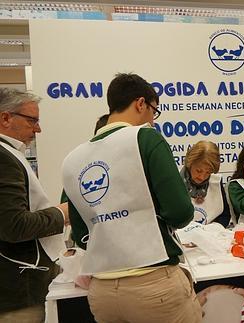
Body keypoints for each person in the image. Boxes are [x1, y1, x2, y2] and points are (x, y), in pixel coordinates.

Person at [62, 73, 201, 323]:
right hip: (152, 283)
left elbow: (81, 233)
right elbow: (180, 212)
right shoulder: (145, 139)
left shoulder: (73, 159)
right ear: (140, 104)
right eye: (154, 111)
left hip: (102, 291)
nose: (152, 120)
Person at [0, 88, 68, 322]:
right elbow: (14, 226)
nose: (38, 129)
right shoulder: (4, 158)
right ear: (5, 118)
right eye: (32, 121)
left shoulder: (10, 155)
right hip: (18, 291)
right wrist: (62, 214)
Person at [180, 141, 231, 227]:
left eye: (208, 172)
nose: (202, 177)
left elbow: (225, 215)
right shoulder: (176, 182)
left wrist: (213, 230)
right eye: (198, 171)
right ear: (190, 163)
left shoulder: (216, 182)